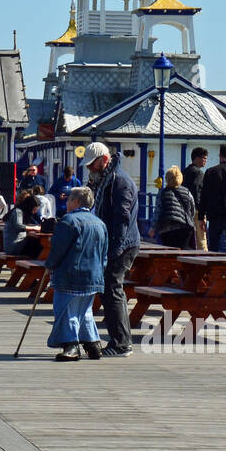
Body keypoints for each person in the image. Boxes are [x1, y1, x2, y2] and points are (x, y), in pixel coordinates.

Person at [84, 141, 139, 358]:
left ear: (104, 160)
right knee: (110, 290)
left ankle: (121, 343)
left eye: (92, 165)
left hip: (122, 244)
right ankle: (120, 341)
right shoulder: (108, 180)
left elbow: (122, 219)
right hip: (116, 243)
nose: (89, 169)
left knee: (112, 289)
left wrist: (114, 249)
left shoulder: (120, 182)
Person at [43, 187, 108, 361]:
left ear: (77, 201)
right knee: (84, 310)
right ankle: (92, 344)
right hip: (93, 276)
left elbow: (58, 249)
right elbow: (104, 253)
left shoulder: (68, 221)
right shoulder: (100, 223)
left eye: (69, 199)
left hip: (71, 275)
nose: (67, 202)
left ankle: (71, 345)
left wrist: (49, 265)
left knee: (66, 310)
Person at [154, 166, 197, 249]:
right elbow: (192, 210)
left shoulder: (162, 193)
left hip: (167, 229)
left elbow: (157, 212)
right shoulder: (187, 192)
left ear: (167, 178)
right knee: (183, 253)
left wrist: (153, 228)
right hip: (185, 228)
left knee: (169, 255)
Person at [181, 147, 210, 250]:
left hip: (185, 210)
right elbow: (197, 191)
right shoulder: (199, 173)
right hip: (197, 211)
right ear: (196, 158)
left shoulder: (185, 171)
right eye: (203, 158)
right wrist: (202, 211)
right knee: (201, 238)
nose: (205, 161)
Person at [3, 189, 43, 258]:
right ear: (29, 207)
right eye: (34, 210)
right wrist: (34, 228)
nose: (34, 212)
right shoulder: (18, 212)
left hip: (17, 244)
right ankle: (35, 267)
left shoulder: (22, 212)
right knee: (40, 247)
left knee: (39, 244)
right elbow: (18, 226)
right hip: (14, 247)